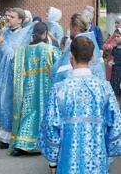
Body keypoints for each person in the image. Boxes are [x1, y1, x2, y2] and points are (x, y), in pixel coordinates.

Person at [38, 36, 121, 174]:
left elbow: (50, 126)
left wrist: (52, 162)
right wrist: (109, 153)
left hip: (67, 160)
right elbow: (115, 124)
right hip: (98, 160)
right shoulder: (104, 88)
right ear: (93, 57)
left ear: (71, 56)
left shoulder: (60, 89)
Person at [0, 0, 33, 148]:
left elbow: (14, 55)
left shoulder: (24, 34)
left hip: (13, 76)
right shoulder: (4, 30)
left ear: (20, 21)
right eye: (8, 16)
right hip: (1, 72)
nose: (8, 18)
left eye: (12, 17)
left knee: (7, 103)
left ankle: (7, 137)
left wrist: (2, 44)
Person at [8, 22, 61, 156]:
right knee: (43, 115)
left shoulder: (22, 51)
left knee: (27, 114)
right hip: (46, 89)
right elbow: (59, 69)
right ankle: (43, 143)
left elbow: (13, 67)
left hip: (27, 89)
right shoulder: (51, 50)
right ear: (44, 34)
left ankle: (21, 144)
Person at [52, 12, 105, 83]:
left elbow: (61, 71)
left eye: (70, 26)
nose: (69, 30)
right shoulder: (92, 43)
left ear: (75, 28)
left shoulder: (76, 44)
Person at [103, 15, 121, 81]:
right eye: (115, 22)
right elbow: (106, 43)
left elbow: (114, 45)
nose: (116, 24)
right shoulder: (115, 32)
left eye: (118, 23)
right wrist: (106, 46)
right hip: (111, 58)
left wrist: (110, 46)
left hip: (117, 62)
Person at [110, 29, 121, 105]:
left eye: (118, 36)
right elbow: (113, 59)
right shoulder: (115, 48)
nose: (116, 38)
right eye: (115, 36)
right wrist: (111, 62)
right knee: (115, 92)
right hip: (115, 73)